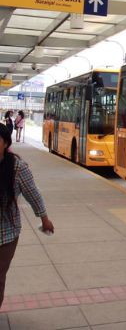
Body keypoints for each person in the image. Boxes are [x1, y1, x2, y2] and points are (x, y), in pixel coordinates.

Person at [0, 123, 54, 306]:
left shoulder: (17, 168)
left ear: (5, 143)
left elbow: (33, 194)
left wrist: (44, 218)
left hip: (5, 234)